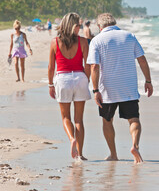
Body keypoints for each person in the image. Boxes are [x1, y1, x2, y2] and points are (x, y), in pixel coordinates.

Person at [87, 13, 153, 163]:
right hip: (128, 87)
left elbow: (94, 66)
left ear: (99, 26)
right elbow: (142, 59)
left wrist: (96, 90)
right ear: (114, 23)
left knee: (107, 120)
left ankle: (113, 154)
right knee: (134, 119)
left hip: (107, 90)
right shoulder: (129, 36)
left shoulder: (96, 40)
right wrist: (148, 80)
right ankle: (135, 146)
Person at [48, 12, 91, 160]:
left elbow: (50, 67)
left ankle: (72, 139)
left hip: (63, 79)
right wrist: (87, 79)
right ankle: (80, 153)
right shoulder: (83, 42)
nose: (79, 27)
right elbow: (88, 64)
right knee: (79, 119)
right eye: (78, 25)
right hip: (80, 77)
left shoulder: (55, 42)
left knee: (66, 117)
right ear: (73, 26)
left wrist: (50, 85)